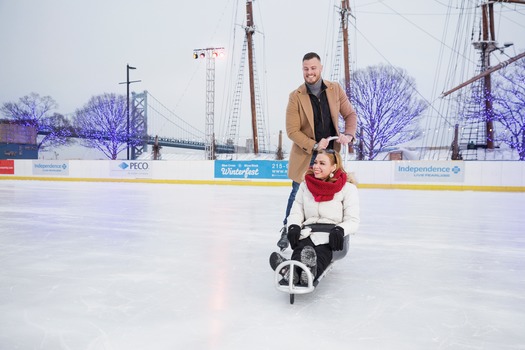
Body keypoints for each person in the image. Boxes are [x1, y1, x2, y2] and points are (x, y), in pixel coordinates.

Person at [277, 51, 358, 250]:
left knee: (334, 191)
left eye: (313, 68)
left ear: (320, 68)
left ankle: (333, 230)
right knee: (298, 192)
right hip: (307, 153)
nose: (309, 72)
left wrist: (348, 134)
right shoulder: (295, 96)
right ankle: (288, 228)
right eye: (306, 69)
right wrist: (314, 145)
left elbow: (350, 114)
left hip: (331, 153)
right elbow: (292, 131)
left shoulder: (335, 89)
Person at [270, 149, 360, 285]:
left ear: (333, 167)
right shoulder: (305, 186)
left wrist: (340, 230)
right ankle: (293, 272)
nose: (316, 166)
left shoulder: (348, 189)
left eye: (322, 163)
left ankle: (311, 272)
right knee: (301, 249)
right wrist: (293, 226)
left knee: (321, 251)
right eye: (316, 162)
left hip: (332, 234)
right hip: (308, 231)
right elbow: (296, 211)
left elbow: (353, 220)